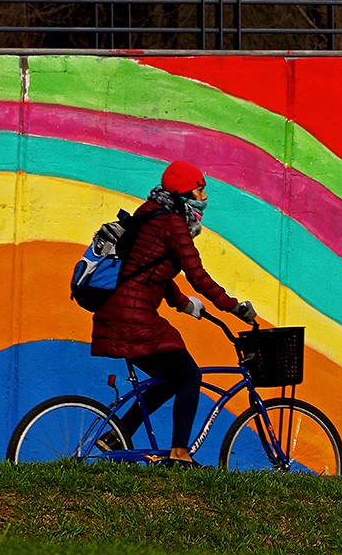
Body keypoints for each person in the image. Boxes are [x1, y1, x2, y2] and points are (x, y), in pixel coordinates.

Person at [90, 160, 256, 466]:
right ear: (182, 193)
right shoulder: (172, 223)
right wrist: (233, 306)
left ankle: (117, 434)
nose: (203, 199)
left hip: (120, 314)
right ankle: (179, 452)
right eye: (199, 190)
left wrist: (183, 303)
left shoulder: (153, 216)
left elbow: (149, 270)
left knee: (170, 378)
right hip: (132, 318)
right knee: (189, 375)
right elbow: (198, 275)